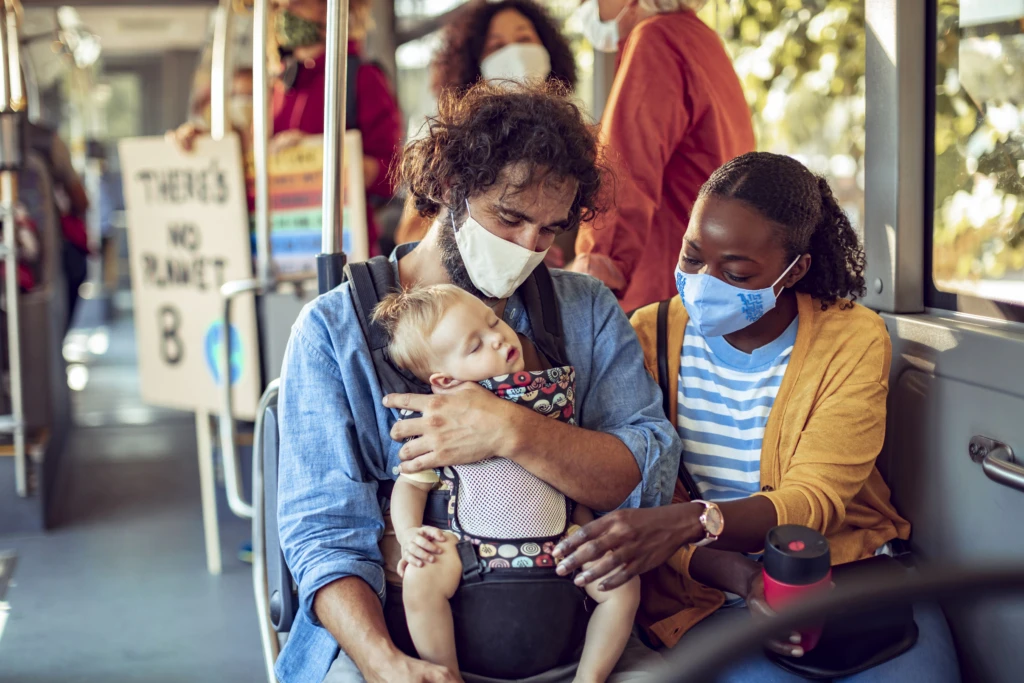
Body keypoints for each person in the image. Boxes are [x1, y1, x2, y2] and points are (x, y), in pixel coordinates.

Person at [275, 82, 679, 683]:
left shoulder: (584, 310)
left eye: (549, 230)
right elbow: (325, 535)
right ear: (447, 187)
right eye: (509, 218)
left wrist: (512, 430)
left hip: (568, 629)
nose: (527, 248)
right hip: (393, 637)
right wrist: (386, 664)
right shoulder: (334, 332)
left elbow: (645, 474)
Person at [552, 152, 961, 681]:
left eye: (736, 272)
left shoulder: (851, 337)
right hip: (706, 592)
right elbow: (647, 511)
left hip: (847, 571)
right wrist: (743, 577)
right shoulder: (646, 336)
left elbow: (815, 498)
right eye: (692, 256)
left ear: (795, 270)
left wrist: (694, 519)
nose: (704, 282)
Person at [373, 283, 641, 683]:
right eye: (475, 346)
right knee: (420, 576)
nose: (498, 338)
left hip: (558, 544)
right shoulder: (440, 420)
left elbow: (566, 481)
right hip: (469, 553)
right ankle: (445, 672)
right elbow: (411, 484)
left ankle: (590, 676)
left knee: (622, 583)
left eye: (493, 322)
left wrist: (584, 526)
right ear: (444, 381)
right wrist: (410, 533)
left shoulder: (550, 400)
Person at [171, 0, 402, 255]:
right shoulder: (275, 86)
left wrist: (313, 157)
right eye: (278, 7)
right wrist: (205, 147)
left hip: (342, 248)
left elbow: (390, 173)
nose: (285, 13)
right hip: (277, 247)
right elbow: (251, 158)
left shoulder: (362, 78)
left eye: (297, 4)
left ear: (327, 8)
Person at [569, 0, 755, 313]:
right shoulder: (703, 40)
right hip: (710, 283)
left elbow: (625, 170)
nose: (584, 5)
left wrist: (595, 271)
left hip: (661, 289)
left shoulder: (656, 40)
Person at [393, 0, 578, 258]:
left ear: (548, 49)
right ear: (474, 65)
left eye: (525, 39)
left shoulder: (577, 142)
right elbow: (410, 236)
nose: (515, 53)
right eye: (497, 46)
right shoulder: (448, 142)